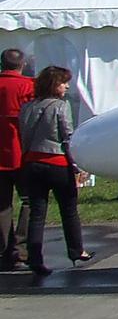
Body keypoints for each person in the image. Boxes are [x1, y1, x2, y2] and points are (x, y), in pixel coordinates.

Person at [18, 65, 91, 277]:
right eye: (63, 82)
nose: (67, 86)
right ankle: (77, 250)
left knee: (37, 213)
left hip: (32, 161)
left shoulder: (28, 107)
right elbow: (67, 136)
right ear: (54, 84)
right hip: (57, 162)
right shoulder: (61, 106)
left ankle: (34, 257)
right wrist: (76, 165)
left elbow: (24, 136)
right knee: (69, 210)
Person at [0, 47, 33, 269]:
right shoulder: (28, 86)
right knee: (30, 201)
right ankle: (20, 248)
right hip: (22, 152)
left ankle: (4, 249)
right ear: (21, 65)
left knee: (2, 205)